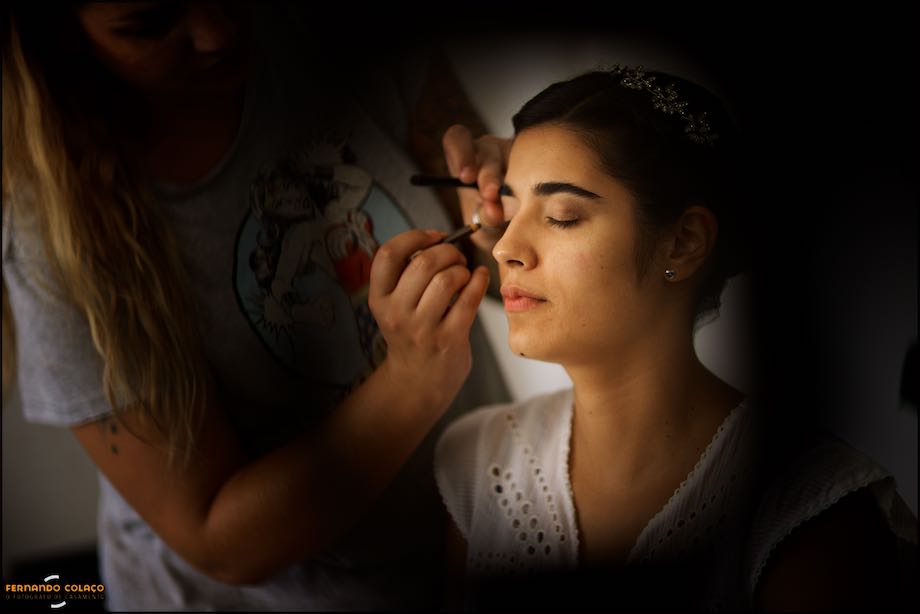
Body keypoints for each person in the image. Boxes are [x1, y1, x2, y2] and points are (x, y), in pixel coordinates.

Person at [1, 2, 511, 610]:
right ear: (53, 34)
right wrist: (412, 384)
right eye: (149, 24)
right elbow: (222, 543)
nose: (216, 33)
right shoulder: (55, 231)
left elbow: (498, 257)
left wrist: (504, 223)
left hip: (474, 537)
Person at [433, 67, 918, 610]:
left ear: (684, 242)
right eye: (509, 208)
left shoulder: (809, 510)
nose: (504, 248)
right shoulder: (479, 462)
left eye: (562, 216)